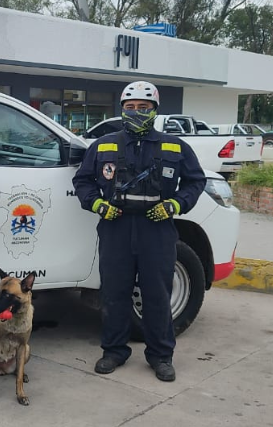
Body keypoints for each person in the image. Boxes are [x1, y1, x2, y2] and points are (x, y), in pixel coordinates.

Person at [71, 81, 206, 382]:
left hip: (156, 229)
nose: (136, 113)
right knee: (115, 292)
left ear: (155, 111)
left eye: (143, 108)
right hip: (115, 227)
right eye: (130, 108)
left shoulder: (175, 146)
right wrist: (97, 206)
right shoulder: (103, 145)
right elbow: (83, 181)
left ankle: (160, 356)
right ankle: (114, 351)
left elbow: (196, 182)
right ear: (121, 110)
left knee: (157, 294)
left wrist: (174, 205)